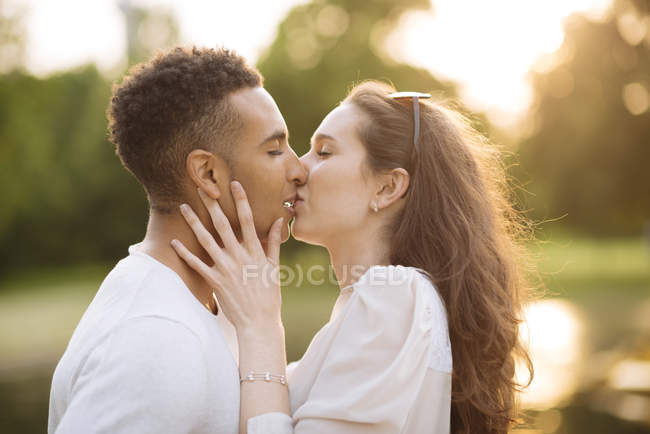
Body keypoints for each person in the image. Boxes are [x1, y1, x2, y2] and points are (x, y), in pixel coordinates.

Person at [174, 81, 535, 433]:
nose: (298, 169)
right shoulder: (367, 309)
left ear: (387, 187)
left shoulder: (394, 297)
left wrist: (262, 328)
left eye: (324, 152)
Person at [48, 46, 308, 433]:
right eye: (274, 150)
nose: (299, 168)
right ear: (207, 173)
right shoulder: (153, 338)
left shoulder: (223, 305)